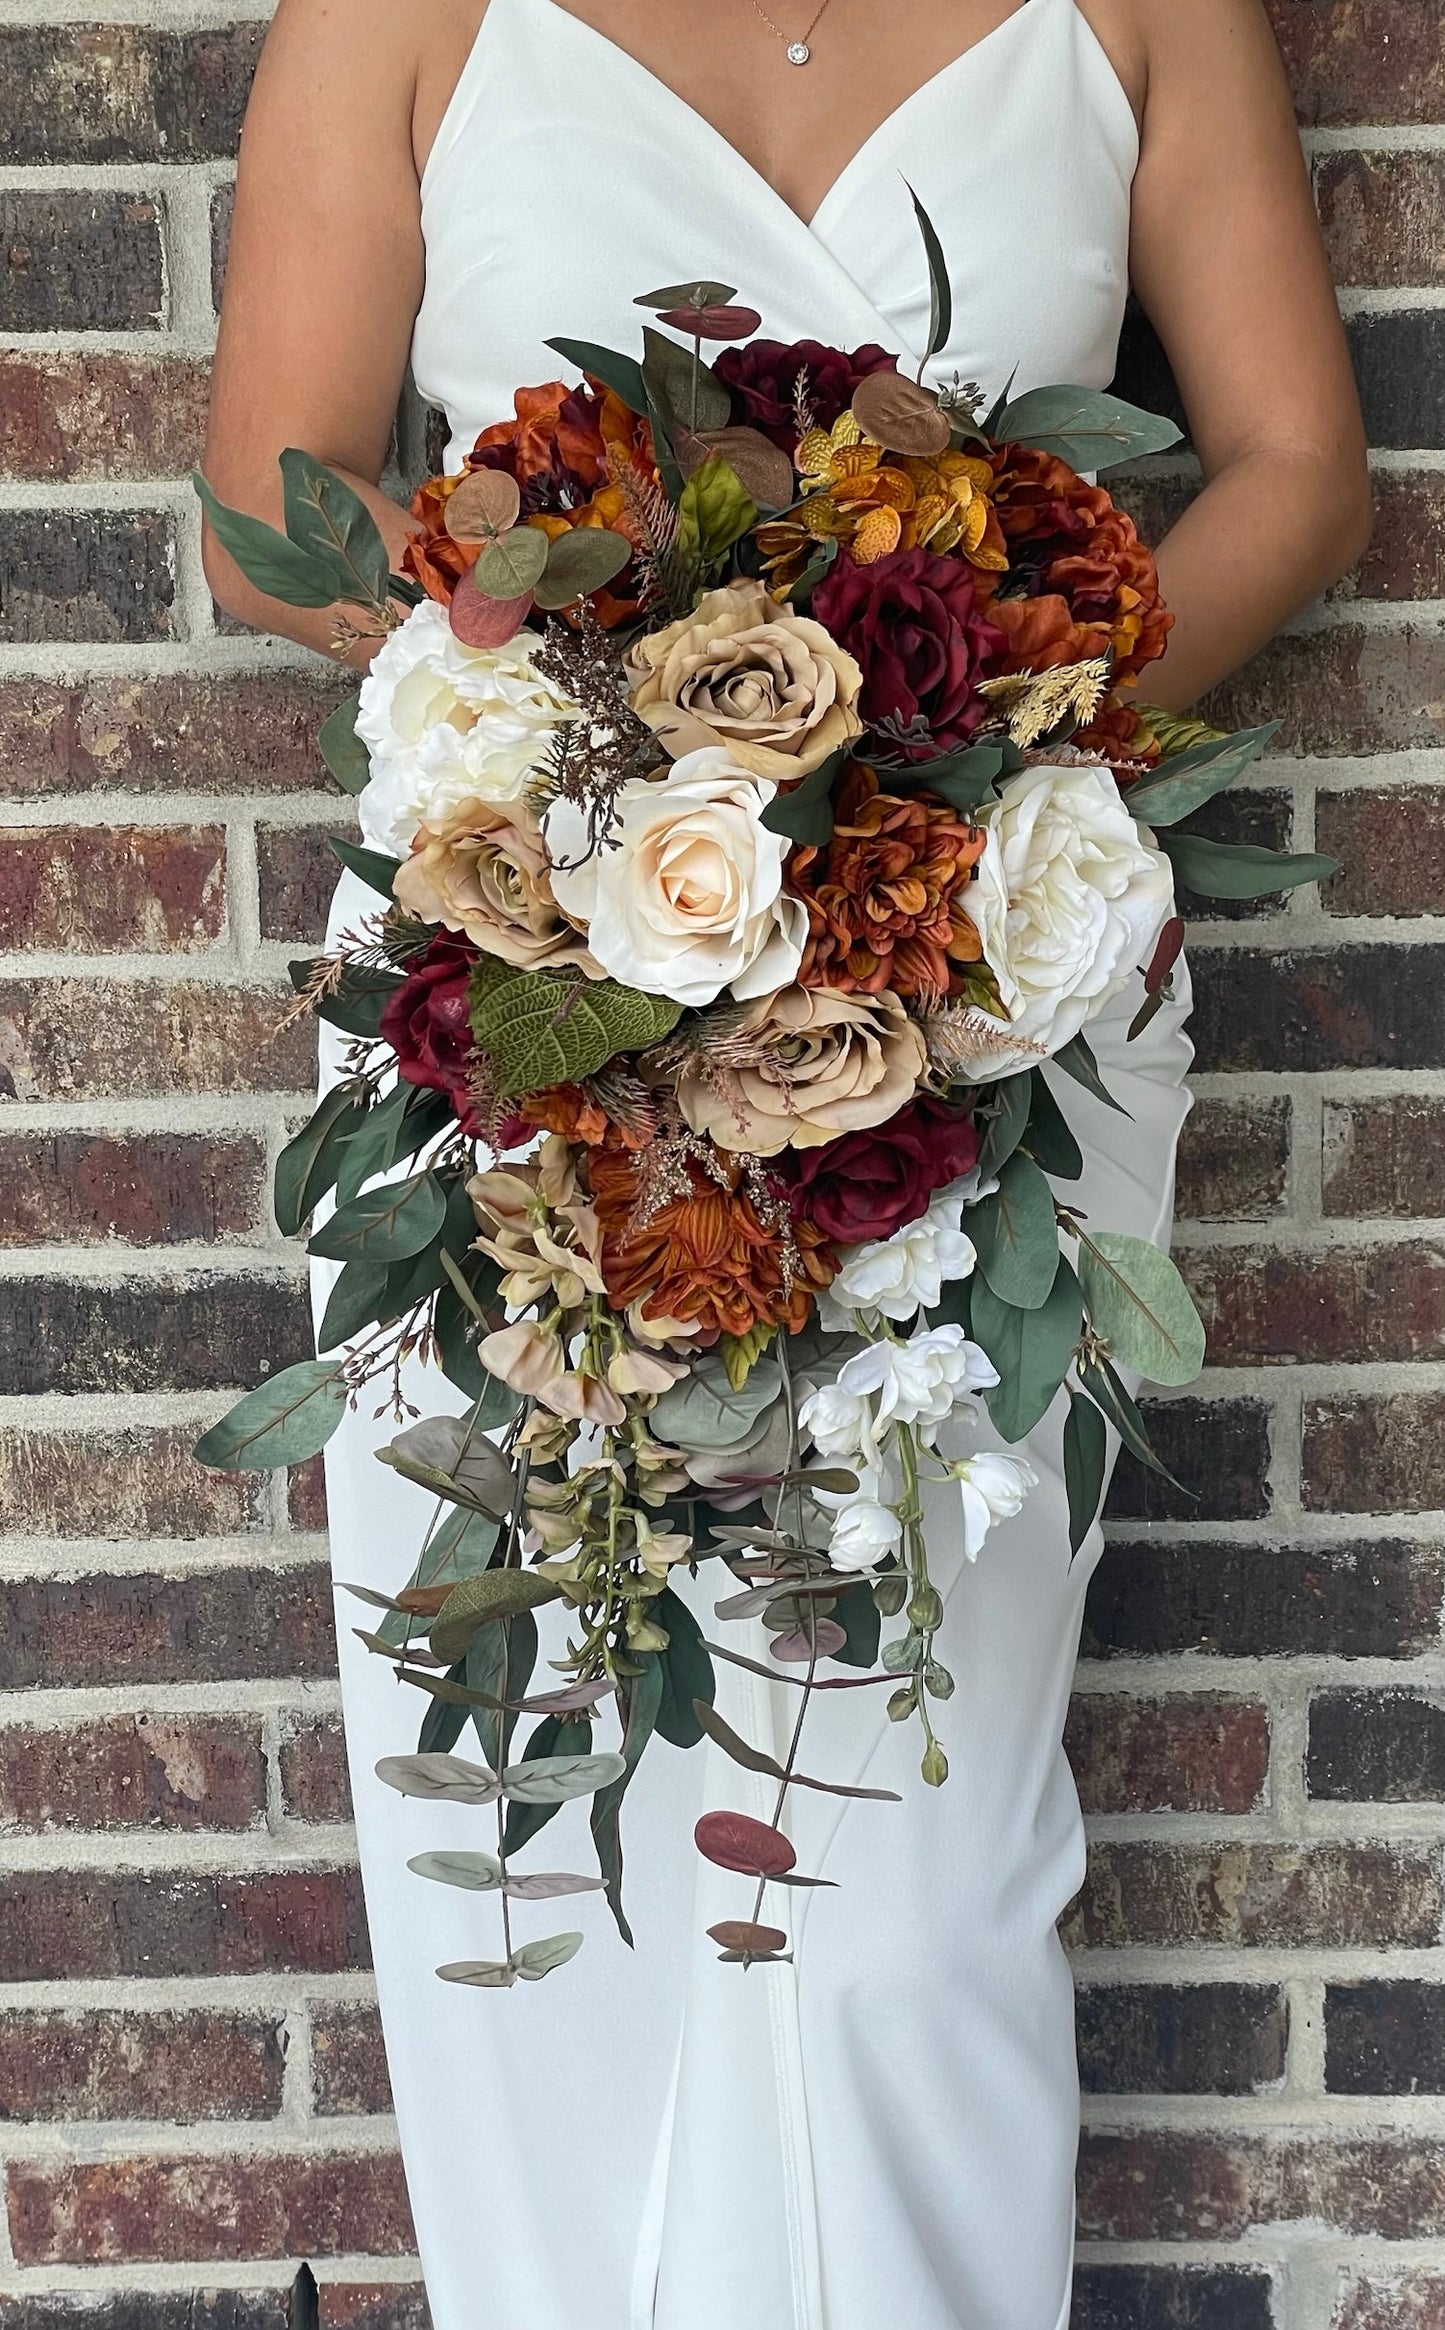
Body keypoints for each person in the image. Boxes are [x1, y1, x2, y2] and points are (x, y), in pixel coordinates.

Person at [203, 5, 1369, 2325]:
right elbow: (278, 498)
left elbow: (1295, 468)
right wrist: (600, 750)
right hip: (513, 997)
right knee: (533, 1817)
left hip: (981, 1008)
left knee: (905, 1881)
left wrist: (975, 759)